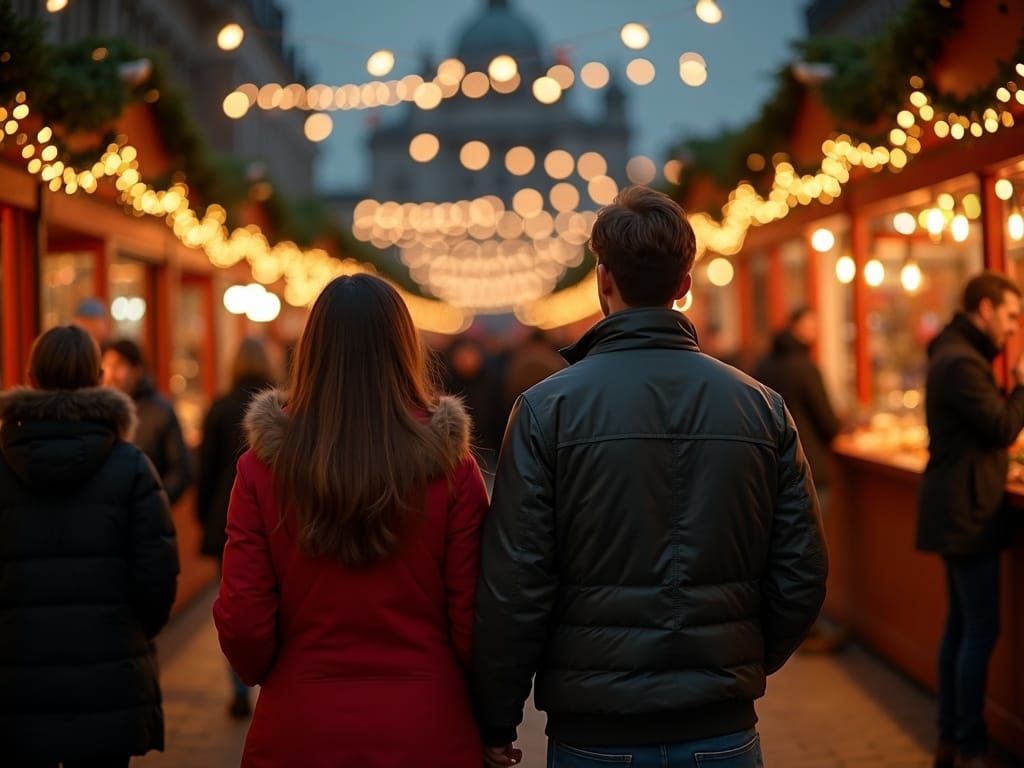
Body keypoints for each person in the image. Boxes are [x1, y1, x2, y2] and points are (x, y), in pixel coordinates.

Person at [471, 186, 828, 768]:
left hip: (595, 728)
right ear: (685, 285)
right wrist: (738, 658)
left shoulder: (545, 410)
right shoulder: (761, 407)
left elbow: (516, 582)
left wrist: (497, 717)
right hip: (722, 724)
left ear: (602, 278)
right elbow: (802, 570)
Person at [213, 274, 489, 768]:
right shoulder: (453, 469)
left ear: (312, 350)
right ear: (405, 347)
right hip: (429, 728)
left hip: (299, 728)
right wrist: (495, 720)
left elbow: (244, 625)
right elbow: (475, 619)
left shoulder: (261, 470)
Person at [0, 325, 179, 767]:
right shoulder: (131, 466)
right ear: (98, 376)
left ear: (31, 375)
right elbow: (157, 575)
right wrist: (133, 634)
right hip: (109, 677)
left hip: (16, 680)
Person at [916, 271, 1024, 768]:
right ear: (985, 309)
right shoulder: (962, 362)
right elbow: (1001, 427)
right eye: (1009, 316)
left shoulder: (954, 353)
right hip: (968, 512)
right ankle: (971, 745)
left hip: (957, 507)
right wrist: (1023, 386)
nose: (1013, 326)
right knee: (978, 630)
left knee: (960, 626)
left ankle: (950, 740)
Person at [754, 306, 845, 652]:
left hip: (772, 468)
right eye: (811, 323)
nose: (815, 330)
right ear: (795, 326)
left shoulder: (765, 365)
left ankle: (784, 622)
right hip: (811, 468)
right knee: (809, 552)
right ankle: (810, 628)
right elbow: (829, 424)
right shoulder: (806, 368)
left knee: (779, 549)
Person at [196, 338, 276, 719]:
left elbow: (206, 470)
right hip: (268, 515)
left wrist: (202, 518)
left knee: (235, 600)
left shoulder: (220, 406)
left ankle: (239, 689)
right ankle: (264, 685)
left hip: (223, 516)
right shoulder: (279, 410)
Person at [101, 338, 191, 505]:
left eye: (118, 365)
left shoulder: (161, 411)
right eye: (106, 365)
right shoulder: (97, 411)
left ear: (137, 371)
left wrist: (154, 501)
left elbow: (179, 469)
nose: (111, 373)